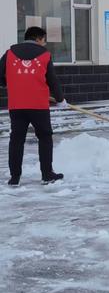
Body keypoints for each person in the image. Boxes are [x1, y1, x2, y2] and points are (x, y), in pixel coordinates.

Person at [0, 27, 68, 186]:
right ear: (38, 38)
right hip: (38, 105)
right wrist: (60, 99)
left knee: (16, 140)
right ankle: (47, 174)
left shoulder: (9, 53)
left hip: (17, 105)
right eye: (44, 40)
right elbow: (52, 80)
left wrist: (7, 83)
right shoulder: (44, 55)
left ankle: (14, 177)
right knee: (45, 138)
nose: (44, 44)